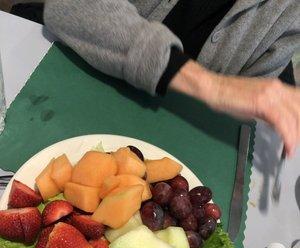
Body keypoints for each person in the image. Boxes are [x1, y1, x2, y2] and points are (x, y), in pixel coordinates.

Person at [43, 0, 300, 156]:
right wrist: (213, 86)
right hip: (62, 91)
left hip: (169, 143)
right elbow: (67, 8)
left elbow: (251, 109)